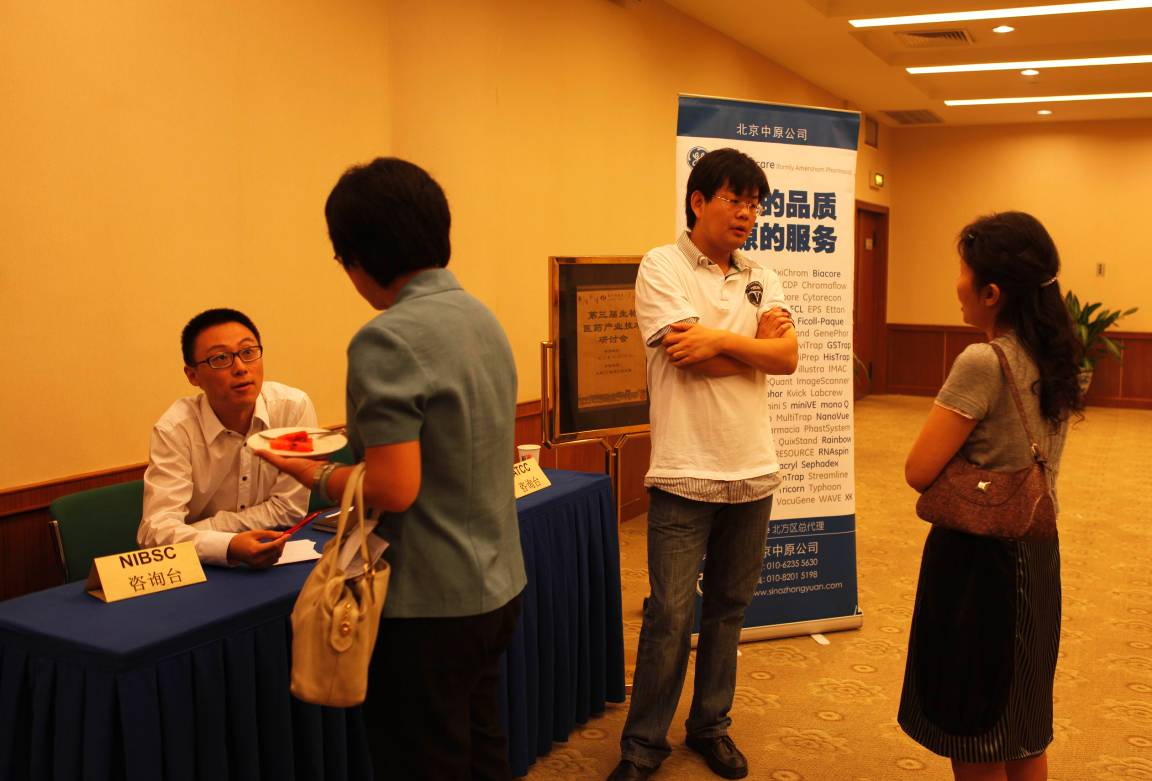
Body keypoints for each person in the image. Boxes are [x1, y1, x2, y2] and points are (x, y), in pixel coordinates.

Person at [256, 157, 525, 781]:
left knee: (424, 762)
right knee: (481, 746)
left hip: (428, 600)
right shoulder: (480, 317)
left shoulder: (386, 338)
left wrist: (309, 473)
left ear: (359, 256)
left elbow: (394, 489)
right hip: (498, 580)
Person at [608, 148, 798, 781]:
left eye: (754, 204)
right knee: (668, 617)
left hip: (753, 469)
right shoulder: (661, 265)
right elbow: (688, 356)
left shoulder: (761, 274)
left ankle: (710, 725)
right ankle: (642, 747)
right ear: (698, 201)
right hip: (684, 470)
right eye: (733, 200)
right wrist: (748, 348)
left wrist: (717, 337)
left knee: (728, 609)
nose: (746, 214)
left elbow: (787, 357)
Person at [899, 211, 1083, 781]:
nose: (956, 284)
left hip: (979, 562)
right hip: (1037, 550)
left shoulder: (983, 361)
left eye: (962, 271)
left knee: (973, 722)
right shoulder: (1055, 355)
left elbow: (918, 469)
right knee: (1022, 721)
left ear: (992, 292)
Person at [139, 308, 317, 568]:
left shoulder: (292, 408)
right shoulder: (175, 430)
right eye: (220, 358)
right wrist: (228, 545)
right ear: (193, 375)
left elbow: (289, 508)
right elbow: (155, 531)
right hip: (201, 566)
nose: (241, 368)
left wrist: (204, 531)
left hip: (277, 550)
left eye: (248, 352)